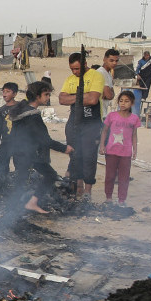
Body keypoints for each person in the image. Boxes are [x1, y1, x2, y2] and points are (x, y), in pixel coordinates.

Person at [9, 81, 73, 214]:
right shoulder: (32, 116)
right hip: (30, 153)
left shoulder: (22, 110)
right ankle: (29, 204)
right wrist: (64, 148)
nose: (48, 98)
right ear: (37, 96)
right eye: (46, 94)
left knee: (21, 180)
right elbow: (45, 140)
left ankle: (13, 208)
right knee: (50, 175)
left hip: (19, 152)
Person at [58, 52, 105, 200]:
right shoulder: (70, 79)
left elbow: (93, 100)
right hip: (74, 122)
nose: (75, 72)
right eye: (72, 69)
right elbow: (61, 99)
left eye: (77, 69)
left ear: (85, 64)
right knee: (75, 155)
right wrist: (83, 96)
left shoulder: (96, 76)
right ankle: (78, 186)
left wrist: (74, 97)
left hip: (92, 123)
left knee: (89, 156)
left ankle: (88, 190)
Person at [99, 91, 140, 204]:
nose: (123, 103)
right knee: (110, 176)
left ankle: (122, 199)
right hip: (111, 151)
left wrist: (135, 150)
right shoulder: (112, 116)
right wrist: (102, 145)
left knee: (124, 178)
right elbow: (105, 131)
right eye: (121, 101)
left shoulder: (134, 119)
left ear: (132, 103)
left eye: (126, 101)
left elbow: (134, 135)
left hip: (126, 153)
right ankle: (108, 198)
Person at [0, 82, 20, 182]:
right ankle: (2, 185)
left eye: (8, 91)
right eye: (3, 91)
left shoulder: (21, 107)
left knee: (20, 166)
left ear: (15, 94)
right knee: (3, 166)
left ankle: (19, 186)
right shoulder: (1, 110)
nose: (4, 94)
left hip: (19, 142)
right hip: (6, 142)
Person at [94, 49, 119, 119]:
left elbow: (111, 95)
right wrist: (108, 93)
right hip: (98, 113)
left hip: (103, 112)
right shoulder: (101, 73)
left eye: (116, 61)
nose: (114, 63)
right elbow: (109, 96)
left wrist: (108, 93)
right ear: (104, 59)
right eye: (111, 60)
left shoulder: (108, 74)